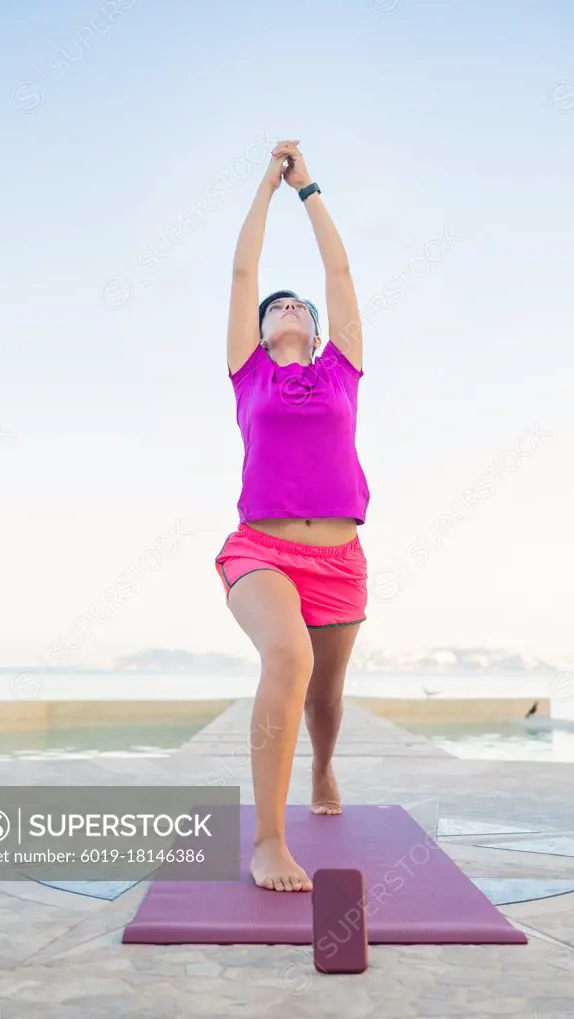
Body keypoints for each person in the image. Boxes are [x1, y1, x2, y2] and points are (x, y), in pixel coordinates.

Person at [215, 140, 370, 893]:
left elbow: (337, 274)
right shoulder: (250, 375)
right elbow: (243, 271)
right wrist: (264, 189)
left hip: (340, 561)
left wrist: (309, 190)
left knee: (326, 698)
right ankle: (269, 841)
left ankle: (323, 763)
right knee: (289, 658)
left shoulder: (340, 369)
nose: (283, 306)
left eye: (295, 306)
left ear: (311, 327)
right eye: (272, 307)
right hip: (261, 552)